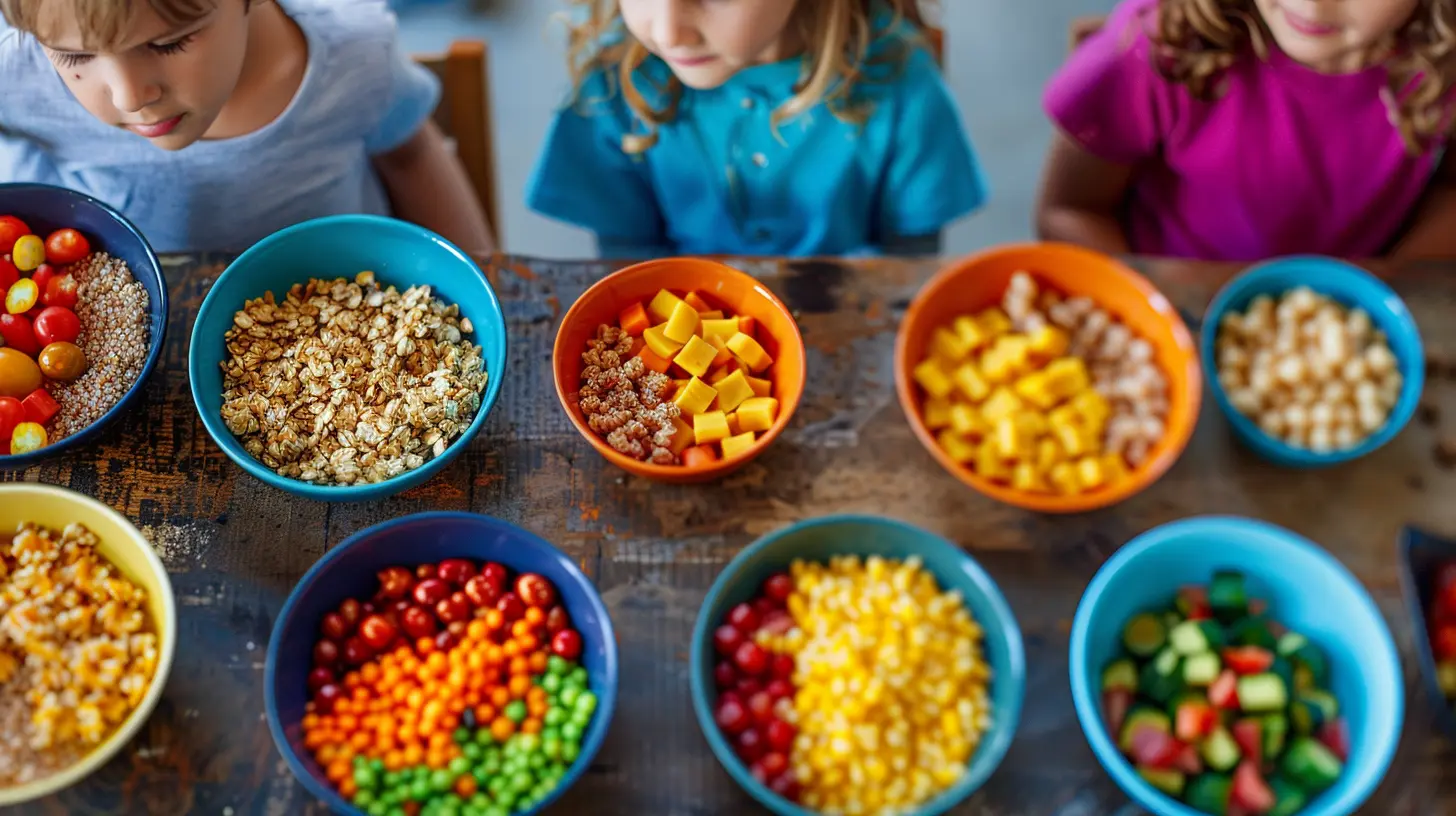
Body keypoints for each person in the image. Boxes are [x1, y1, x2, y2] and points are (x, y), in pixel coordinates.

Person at [0, 0, 495, 254]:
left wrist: (488, 279)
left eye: (169, 43)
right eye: (75, 55)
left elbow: (411, 155)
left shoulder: (355, 57)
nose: (129, 96)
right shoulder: (17, 77)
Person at [526, 0, 986, 259]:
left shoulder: (899, 80)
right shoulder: (613, 81)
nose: (668, 32)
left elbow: (912, 259)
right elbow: (625, 253)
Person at [1036, 0, 1456, 263]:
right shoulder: (1157, 45)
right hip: (1176, 307)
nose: (1311, 4)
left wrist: (1383, 290)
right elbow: (1068, 212)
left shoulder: (1445, 60)